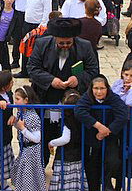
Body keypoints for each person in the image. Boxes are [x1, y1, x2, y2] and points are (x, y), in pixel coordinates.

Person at [27, 18, 99, 164]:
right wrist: (50, 80)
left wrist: (78, 79)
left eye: (68, 43)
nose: (65, 46)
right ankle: (41, 167)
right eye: (61, 43)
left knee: (71, 137)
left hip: (73, 101)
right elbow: (32, 68)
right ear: (55, 39)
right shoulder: (42, 44)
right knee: (44, 136)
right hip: (46, 98)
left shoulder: (85, 46)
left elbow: (94, 70)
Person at [75, 75, 128, 191]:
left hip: (109, 138)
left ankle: (107, 183)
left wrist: (107, 131)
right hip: (92, 139)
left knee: (114, 161)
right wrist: (98, 126)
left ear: (107, 88)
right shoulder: (87, 97)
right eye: (96, 88)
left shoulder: (113, 97)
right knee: (91, 168)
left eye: (102, 88)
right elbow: (79, 110)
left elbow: (123, 114)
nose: (99, 92)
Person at [8, 85, 45, 191]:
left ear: (26, 100)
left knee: (30, 181)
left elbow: (37, 138)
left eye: (17, 99)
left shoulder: (32, 116)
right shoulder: (21, 112)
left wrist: (22, 128)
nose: (15, 101)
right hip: (26, 150)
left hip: (32, 151)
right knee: (25, 178)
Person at [46, 89, 84, 191]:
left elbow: (65, 139)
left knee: (63, 183)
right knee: (72, 181)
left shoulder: (68, 123)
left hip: (66, 156)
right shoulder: (82, 121)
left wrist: (51, 142)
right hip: (77, 154)